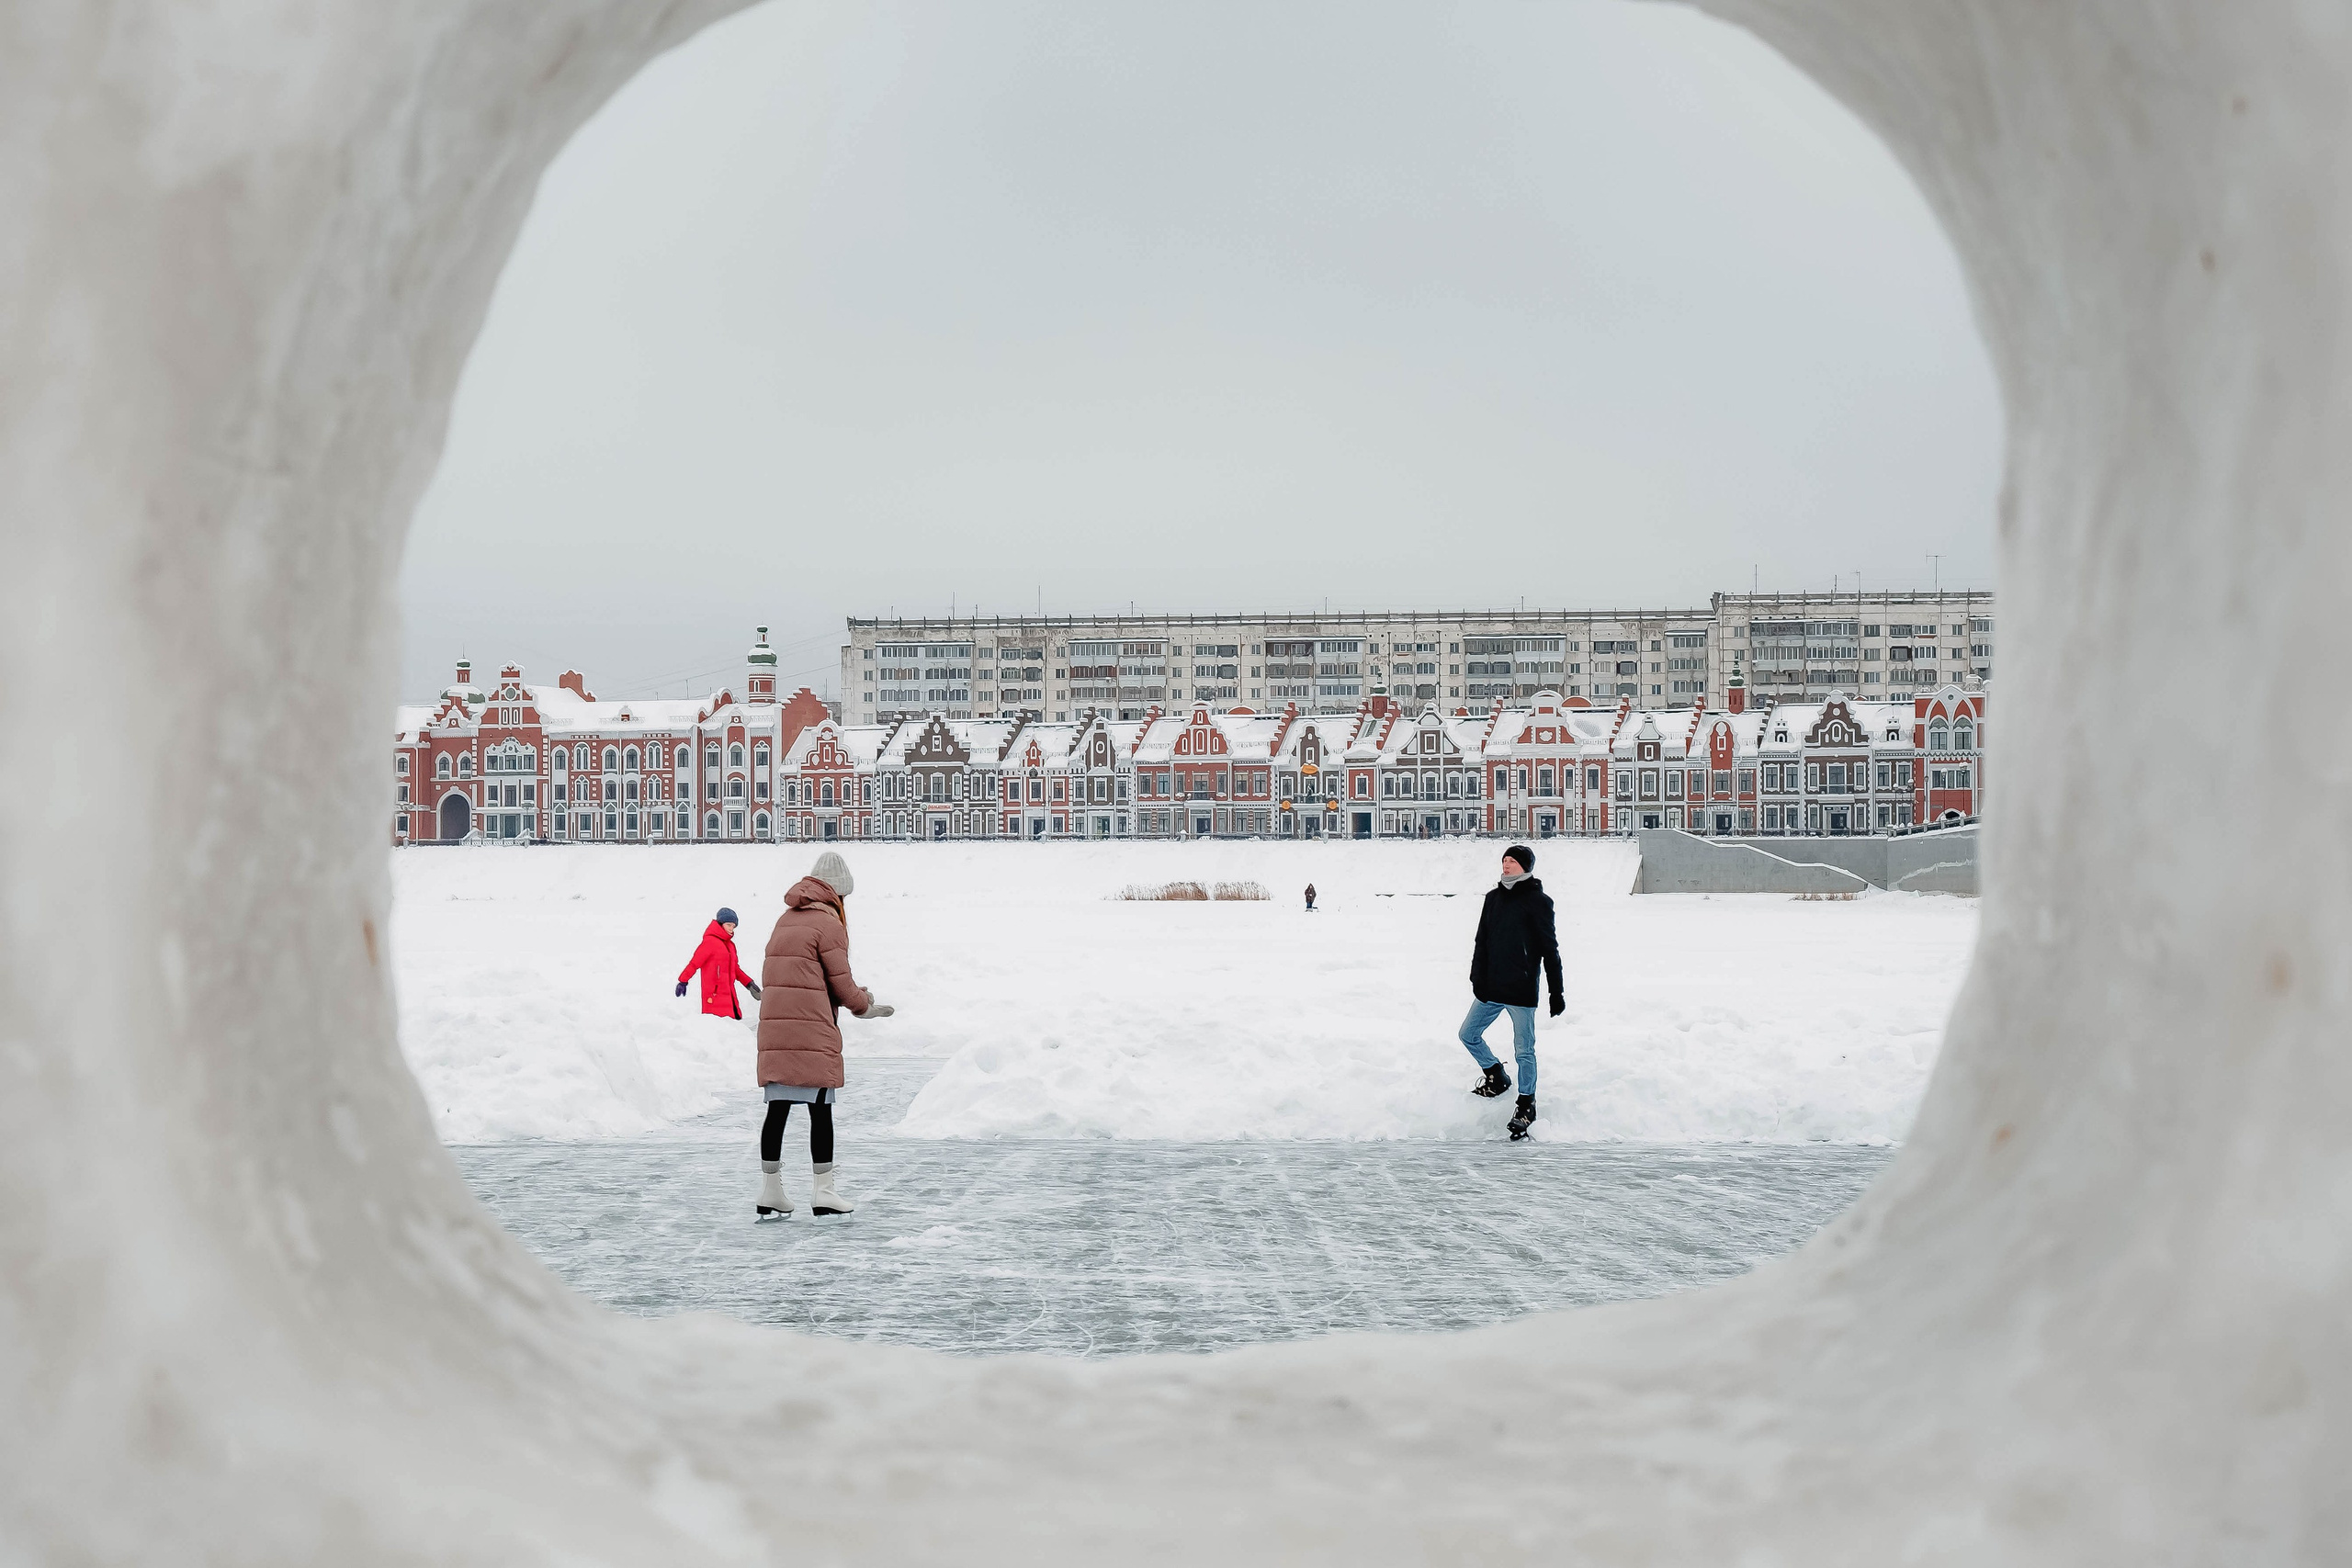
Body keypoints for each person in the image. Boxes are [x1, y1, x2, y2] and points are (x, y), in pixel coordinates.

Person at [751, 851, 892, 1218]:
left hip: (777, 1031)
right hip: (811, 1031)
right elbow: (841, 985)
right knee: (820, 1110)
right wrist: (865, 1005)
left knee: (777, 1110)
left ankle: (770, 1191)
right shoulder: (828, 924)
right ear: (837, 894)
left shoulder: (785, 920)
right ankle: (824, 1191)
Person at [1461, 843, 1563, 1141]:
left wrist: (1556, 992)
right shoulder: (1493, 899)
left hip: (1521, 990)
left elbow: (1549, 950)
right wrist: (1476, 976)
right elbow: (1482, 940)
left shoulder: (1538, 902)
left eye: (1512, 862)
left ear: (1526, 867)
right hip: (1491, 987)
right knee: (1468, 1034)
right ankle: (1496, 1076)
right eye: (1504, 860)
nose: (1506, 865)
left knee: (1524, 1051)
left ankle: (1526, 1104)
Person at [676, 907, 759, 1019]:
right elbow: (694, 964)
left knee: (733, 1030)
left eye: (733, 926)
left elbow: (735, 969)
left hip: (730, 997)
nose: (731, 929)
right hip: (713, 997)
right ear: (720, 923)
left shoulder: (730, 946)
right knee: (718, 1031)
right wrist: (683, 981)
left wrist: (749, 983)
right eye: (729, 925)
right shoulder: (709, 942)